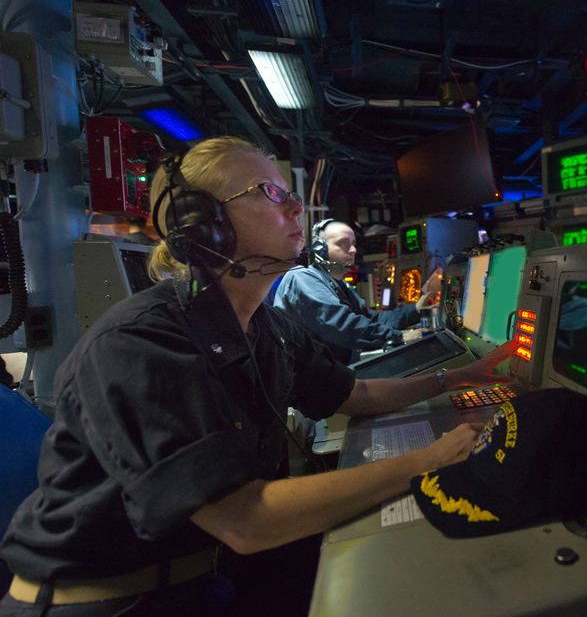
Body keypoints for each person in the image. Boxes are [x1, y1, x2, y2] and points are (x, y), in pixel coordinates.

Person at [0, 136, 514, 616]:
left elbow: (355, 393)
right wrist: (427, 461)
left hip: (214, 570)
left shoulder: (266, 327)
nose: (295, 208)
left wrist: (454, 379)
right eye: (271, 193)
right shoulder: (141, 342)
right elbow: (246, 520)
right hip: (110, 602)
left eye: (291, 196)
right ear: (203, 225)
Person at [273, 218, 439, 364]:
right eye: (344, 243)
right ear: (320, 249)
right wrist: (398, 337)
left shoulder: (339, 285)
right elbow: (341, 324)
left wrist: (416, 309)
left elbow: (372, 319)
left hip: (336, 371)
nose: (353, 250)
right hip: (310, 384)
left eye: (353, 244)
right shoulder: (303, 278)